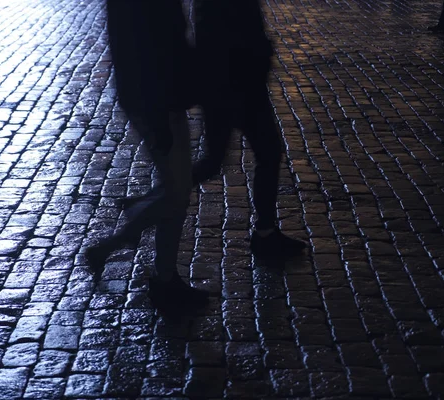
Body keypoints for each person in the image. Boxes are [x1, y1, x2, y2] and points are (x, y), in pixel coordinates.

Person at [122, 0, 307, 259]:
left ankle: (149, 202)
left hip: (229, 80)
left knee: (230, 158)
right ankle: (264, 233)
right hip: (235, 80)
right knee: (254, 154)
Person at [86, 0, 208, 315]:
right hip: (156, 99)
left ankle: (165, 277)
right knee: (177, 191)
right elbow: (148, 46)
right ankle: (117, 245)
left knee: (176, 187)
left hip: (155, 96)